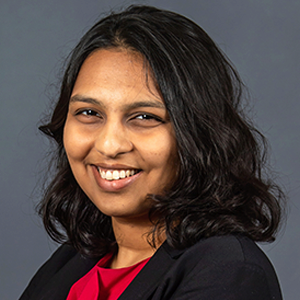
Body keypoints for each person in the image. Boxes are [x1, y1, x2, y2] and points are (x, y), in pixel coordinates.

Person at [20, 5, 284, 300]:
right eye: (89, 112)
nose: (109, 145)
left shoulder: (229, 272)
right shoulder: (71, 263)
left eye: (145, 117)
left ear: (198, 133)